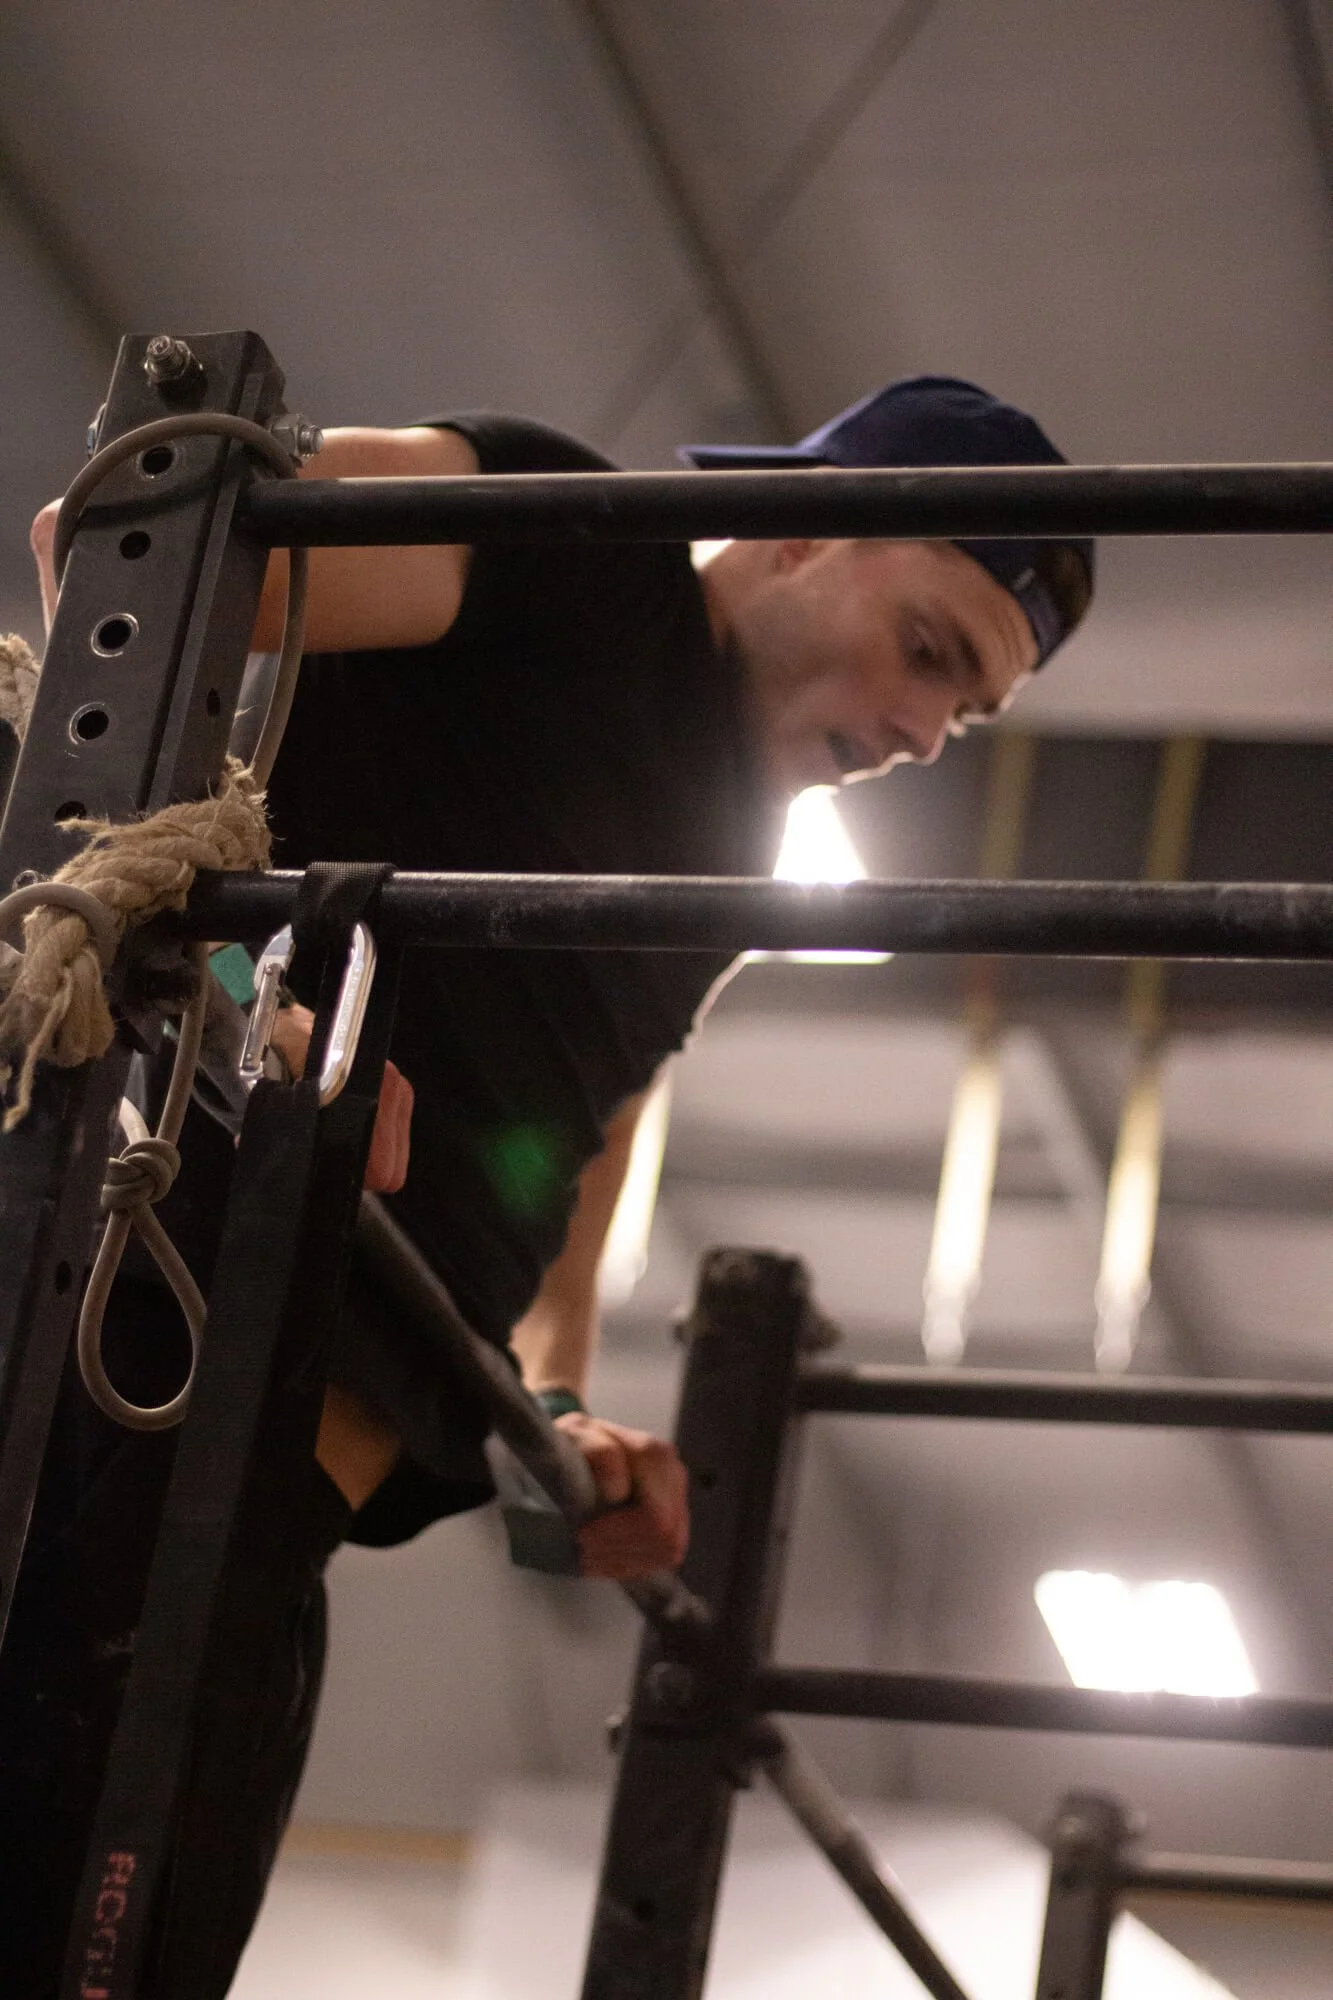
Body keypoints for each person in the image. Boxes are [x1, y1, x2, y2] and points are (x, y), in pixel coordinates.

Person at [14, 374, 1094, 1993]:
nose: (926, 731)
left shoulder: (733, 863)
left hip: (272, 1521)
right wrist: (231, 1002)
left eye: (969, 714)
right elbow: (121, 556)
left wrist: (558, 1396)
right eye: (933, 651)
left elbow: (581, 1135)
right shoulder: (569, 536)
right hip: (119, 1379)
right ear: (807, 537)